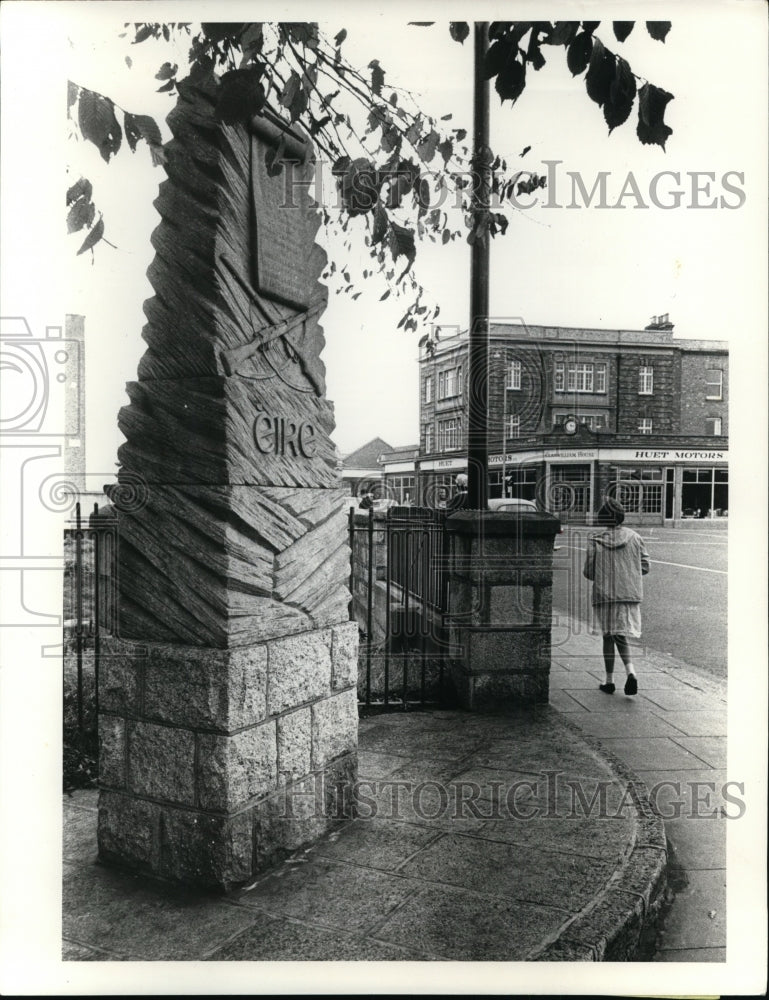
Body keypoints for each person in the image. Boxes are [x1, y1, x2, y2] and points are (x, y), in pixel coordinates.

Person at [583, 497, 650, 696]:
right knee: (621, 635)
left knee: (608, 637)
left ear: (603, 518)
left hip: (605, 594)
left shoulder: (596, 540)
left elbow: (588, 572)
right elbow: (645, 566)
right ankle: (631, 671)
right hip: (628, 593)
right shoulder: (635, 537)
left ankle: (609, 680)